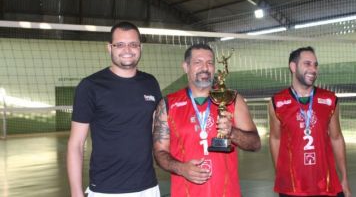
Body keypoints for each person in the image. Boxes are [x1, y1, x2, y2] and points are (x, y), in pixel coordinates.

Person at [67, 22, 162, 197]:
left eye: (133, 44)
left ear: (140, 47)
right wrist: (76, 192)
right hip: (107, 189)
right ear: (109, 48)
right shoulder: (90, 86)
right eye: (120, 44)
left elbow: (157, 130)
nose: (127, 49)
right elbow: (76, 144)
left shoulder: (150, 82)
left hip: (148, 186)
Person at [153, 43, 261, 197]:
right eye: (198, 62)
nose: (205, 67)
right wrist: (181, 168)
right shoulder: (168, 104)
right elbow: (159, 152)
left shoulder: (233, 99)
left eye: (210, 63)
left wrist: (232, 132)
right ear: (186, 66)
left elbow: (255, 144)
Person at [269, 46, 352, 197]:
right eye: (307, 64)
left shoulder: (329, 99)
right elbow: (275, 138)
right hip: (293, 187)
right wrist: (280, 174)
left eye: (315, 65)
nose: (313, 69)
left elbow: (336, 138)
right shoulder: (277, 102)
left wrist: (344, 178)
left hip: (327, 185)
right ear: (293, 67)